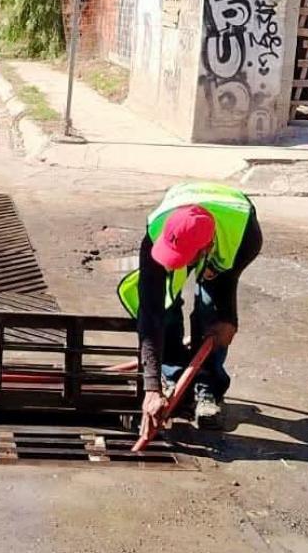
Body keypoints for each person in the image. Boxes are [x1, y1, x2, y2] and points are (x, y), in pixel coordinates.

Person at [117, 182, 262, 433]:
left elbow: (227, 283)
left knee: (210, 312)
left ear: (205, 249)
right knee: (164, 305)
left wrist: (228, 319)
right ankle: (174, 379)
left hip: (232, 232)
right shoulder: (155, 234)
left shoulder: (244, 237)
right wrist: (152, 388)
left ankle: (208, 389)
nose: (172, 265)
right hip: (192, 226)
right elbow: (151, 312)